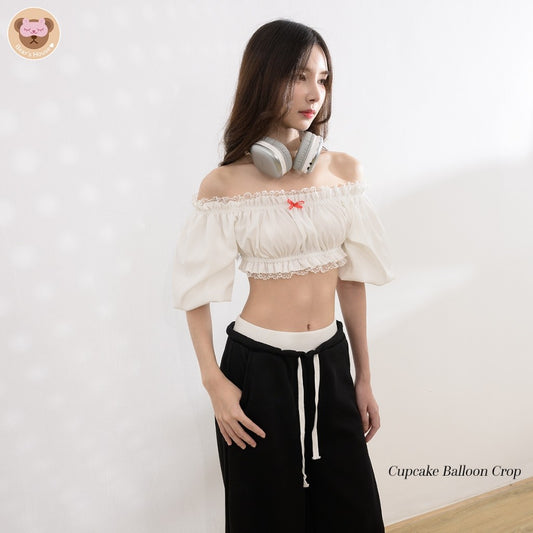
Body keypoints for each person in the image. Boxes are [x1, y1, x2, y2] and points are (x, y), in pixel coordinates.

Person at [172, 19, 394, 533]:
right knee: (266, 518)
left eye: (323, 78)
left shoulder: (343, 173)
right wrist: (214, 382)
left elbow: (350, 281)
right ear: (264, 77)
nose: (315, 93)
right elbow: (194, 290)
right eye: (299, 76)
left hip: (330, 362)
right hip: (256, 372)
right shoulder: (224, 185)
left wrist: (363, 376)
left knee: (355, 514)